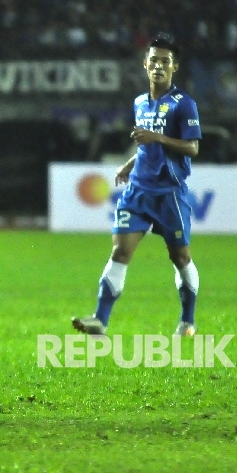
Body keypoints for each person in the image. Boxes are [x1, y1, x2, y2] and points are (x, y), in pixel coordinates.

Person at [71, 32, 202, 337]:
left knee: (180, 257)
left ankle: (188, 320)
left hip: (169, 193)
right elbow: (146, 146)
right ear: (145, 64)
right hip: (138, 192)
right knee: (120, 252)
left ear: (174, 68)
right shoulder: (140, 102)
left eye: (165, 62)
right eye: (154, 60)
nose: (158, 66)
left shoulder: (184, 105)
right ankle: (100, 320)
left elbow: (193, 148)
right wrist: (130, 165)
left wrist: (156, 137)